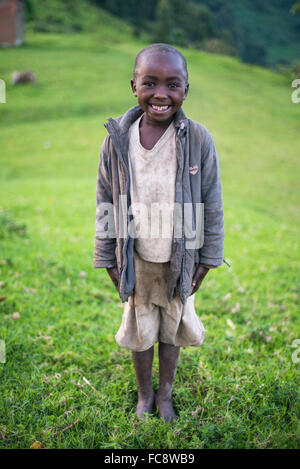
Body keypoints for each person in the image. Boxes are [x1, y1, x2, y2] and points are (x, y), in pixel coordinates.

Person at [94, 44, 224, 423]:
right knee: (140, 330)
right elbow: (106, 202)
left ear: (186, 90)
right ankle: (144, 395)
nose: (161, 94)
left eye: (173, 84)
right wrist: (107, 259)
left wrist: (209, 258)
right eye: (150, 83)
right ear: (133, 85)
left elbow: (212, 203)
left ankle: (165, 394)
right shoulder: (117, 139)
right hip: (135, 259)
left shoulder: (198, 139)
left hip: (180, 258)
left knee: (172, 329)